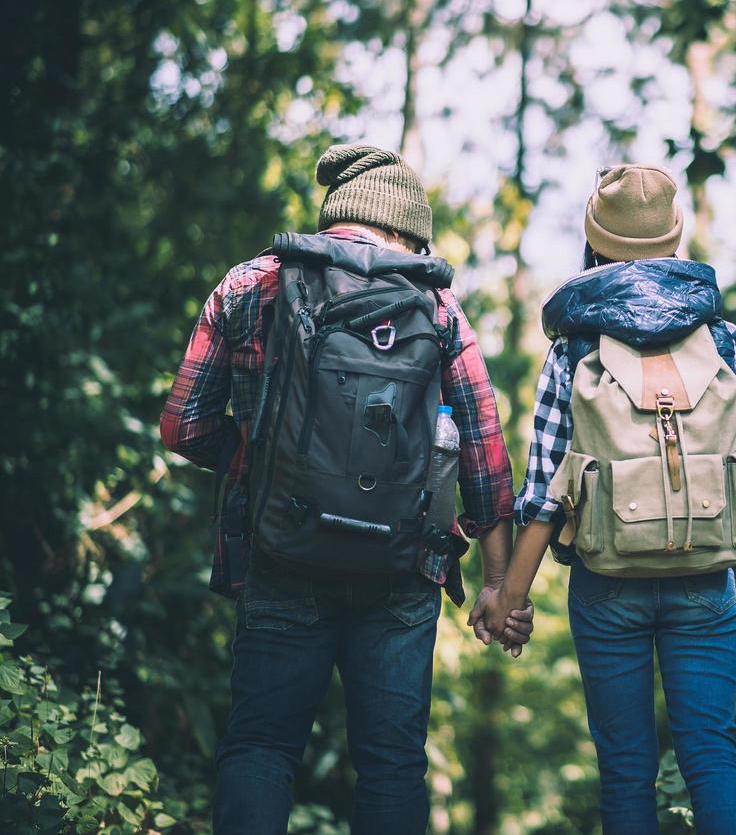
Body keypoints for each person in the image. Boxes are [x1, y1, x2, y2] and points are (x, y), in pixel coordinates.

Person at [160, 144, 532, 835]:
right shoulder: (439, 308)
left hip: (281, 552)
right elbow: (485, 462)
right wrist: (499, 583)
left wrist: (262, 464)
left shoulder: (251, 284)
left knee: (262, 748)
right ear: (408, 233)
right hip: (401, 570)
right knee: (391, 764)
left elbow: (183, 426)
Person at [473, 164, 736, 835]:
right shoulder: (727, 343)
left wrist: (510, 596)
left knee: (624, 769)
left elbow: (543, 493)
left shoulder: (573, 350)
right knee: (710, 753)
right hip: (707, 579)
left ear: (596, 245)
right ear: (676, 243)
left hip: (606, 583)